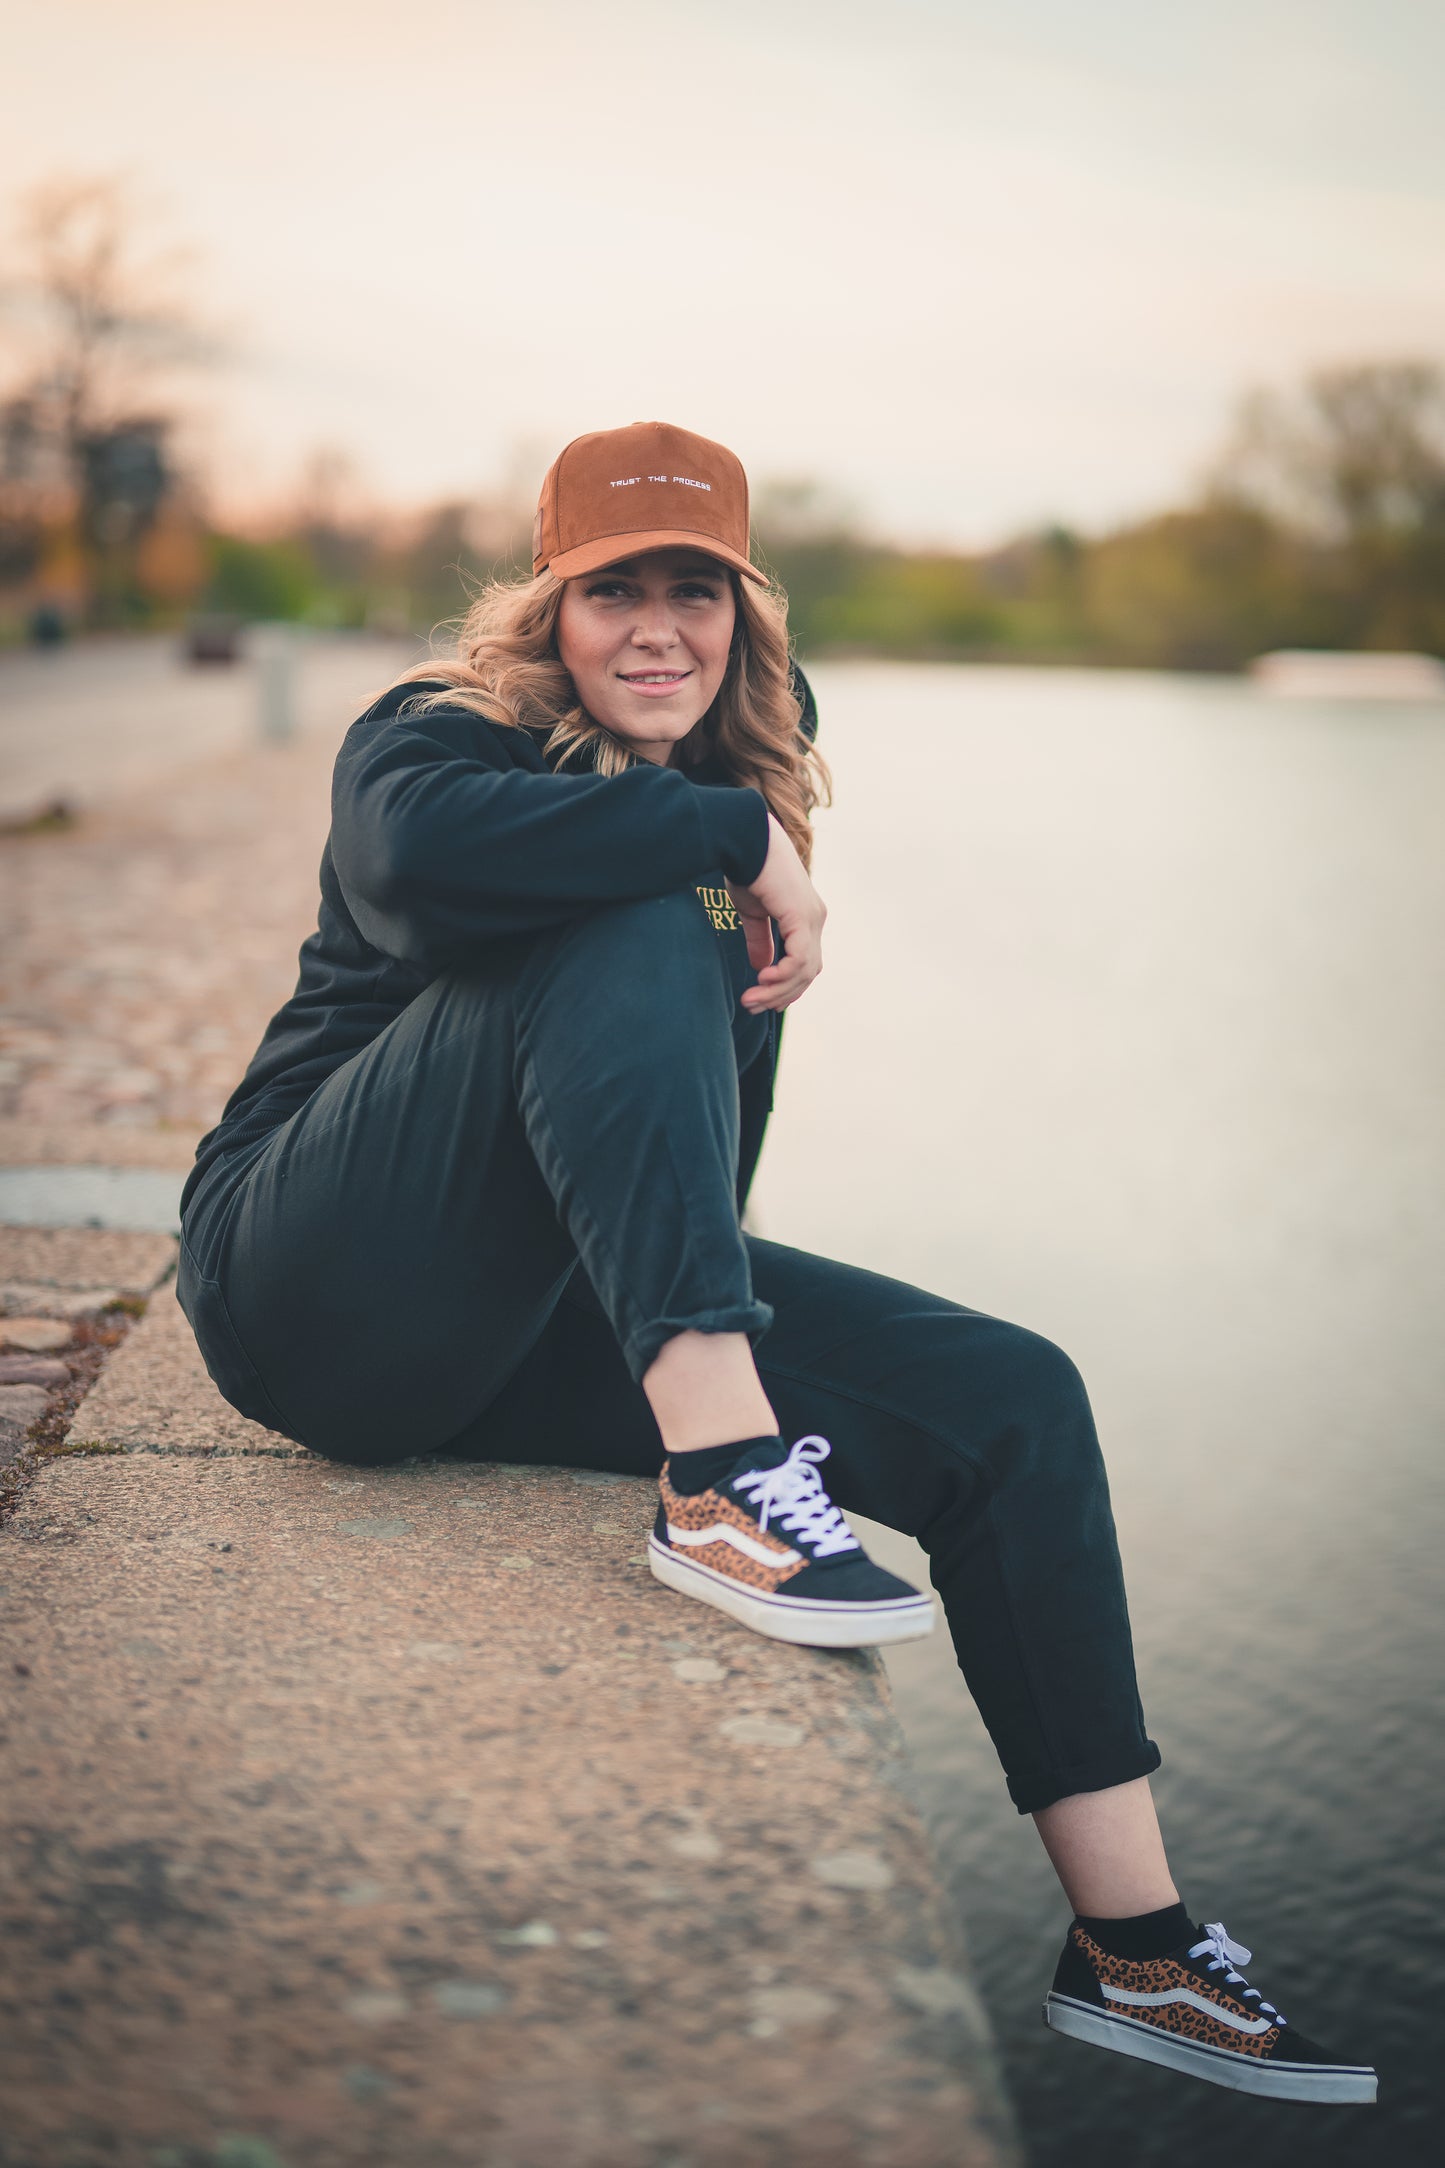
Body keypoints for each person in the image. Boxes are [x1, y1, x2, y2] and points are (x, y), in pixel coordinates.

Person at [177, 420, 1375, 2107]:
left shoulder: (742, 770)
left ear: (743, 611)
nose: (656, 630)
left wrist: (732, 826)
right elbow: (403, 864)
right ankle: (726, 1480)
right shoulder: (433, 736)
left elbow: (689, 1147)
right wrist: (730, 843)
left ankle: (1138, 1949)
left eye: (696, 591)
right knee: (638, 868)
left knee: (1011, 1397)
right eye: (614, 594)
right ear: (550, 608)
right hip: (302, 1289)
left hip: (530, 1315)